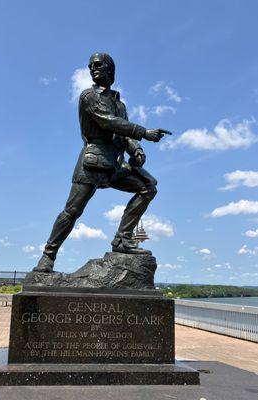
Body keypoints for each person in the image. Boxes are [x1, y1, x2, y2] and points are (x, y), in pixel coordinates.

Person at [34, 52, 170, 273]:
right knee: (72, 211)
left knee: (148, 187)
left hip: (115, 165)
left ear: (110, 69)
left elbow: (123, 132)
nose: (92, 69)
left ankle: (122, 239)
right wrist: (144, 133)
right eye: (90, 67)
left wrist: (136, 148)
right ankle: (47, 257)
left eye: (98, 65)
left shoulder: (120, 104)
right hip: (92, 161)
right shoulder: (89, 96)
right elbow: (108, 122)